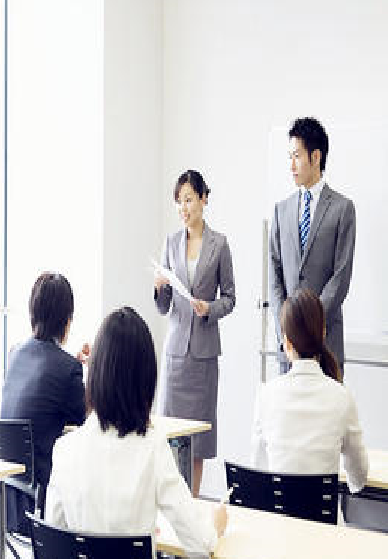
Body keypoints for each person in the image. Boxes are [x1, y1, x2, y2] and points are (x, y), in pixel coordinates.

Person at [46, 307, 227, 559]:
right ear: (145, 380)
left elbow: (56, 538)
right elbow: (199, 544)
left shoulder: (64, 449)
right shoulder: (153, 448)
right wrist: (216, 527)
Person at [154, 170, 236, 496]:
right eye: (179, 201)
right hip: (175, 356)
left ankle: (193, 501)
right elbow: (164, 307)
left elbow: (230, 298)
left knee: (198, 442)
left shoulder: (220, 244)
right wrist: (159, 289)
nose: (183, 208)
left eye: (188, 200)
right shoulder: (170, 242)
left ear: (203, 199)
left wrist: (209, 308)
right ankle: (170, 503)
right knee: (167, 436)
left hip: (203, 357)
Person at [251, 288, 368, 492]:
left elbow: (258, 470)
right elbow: (358, 479)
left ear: (287, 343)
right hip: (323, 513)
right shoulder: (341, 397)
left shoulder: (266, 395)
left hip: (278, 512)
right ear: (323, 334)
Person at [1, 272, 88, 532]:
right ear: (67, 320)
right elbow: (90, 420)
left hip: (8, 496)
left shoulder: (14, 354)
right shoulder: (67, 369)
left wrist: (71, 363)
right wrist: (95, 369)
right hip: (42, 499)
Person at [269, 117, 356, 374]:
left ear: (316, 156)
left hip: (326, 345)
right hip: (288, 348)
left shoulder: (343, 209)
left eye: (297, 156)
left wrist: (310, 326)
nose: (291, 165)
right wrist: (286, 328)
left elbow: (341, 277)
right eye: (289, 157)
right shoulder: (281, 210)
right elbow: (274, 274)